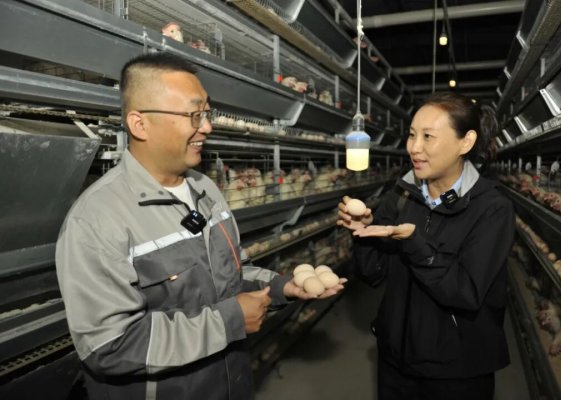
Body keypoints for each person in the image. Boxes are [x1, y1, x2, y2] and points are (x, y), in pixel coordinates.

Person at [55, 52, 345, 400]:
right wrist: (229, 321)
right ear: (140, 124)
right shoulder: (97, 219)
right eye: (194, 115)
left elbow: (230, 275)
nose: (207, 126)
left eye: (207, 113)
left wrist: (281, 287)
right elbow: (110, 346)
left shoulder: (205, 189)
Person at [337, 92, 514, 400]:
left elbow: (466, 292)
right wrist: (362, 233)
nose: (414, 147)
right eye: (411, 135)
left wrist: (415, 244)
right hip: (396, 363)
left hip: (455, 372)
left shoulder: (492, 210)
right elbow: (372, 273)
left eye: (428, 137)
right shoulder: (403, 195)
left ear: (466, 142)